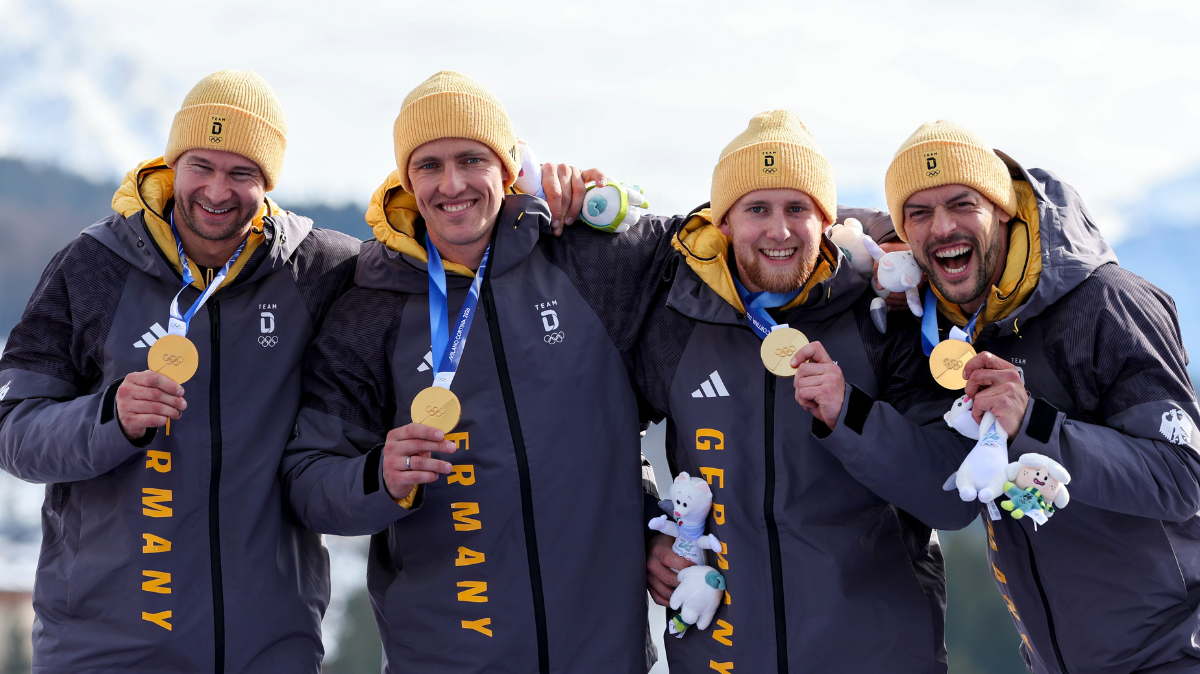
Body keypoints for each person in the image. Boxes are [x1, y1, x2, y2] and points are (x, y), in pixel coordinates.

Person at [0, 69, 589, 674]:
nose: (217, 190)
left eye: (243, 173)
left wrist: (546, 191)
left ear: (269, 182)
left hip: (270, 648)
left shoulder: (318, 270)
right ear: (171, 164)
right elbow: (12, 429)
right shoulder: (93, 264)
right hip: (106, 651)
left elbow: (441, 253)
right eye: (201, 165)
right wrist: (107, 417)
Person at [281, 70, 675, 674]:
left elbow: (741, 239)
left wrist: (873, 241)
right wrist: (376, 477)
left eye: (472, 159)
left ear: (509, 167)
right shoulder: (371, 301)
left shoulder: (590, 261)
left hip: (602, 655)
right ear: (407, 180)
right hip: (446, 658)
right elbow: (308, 481)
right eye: (429, 165)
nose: (452, 184)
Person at [797, 120, 1200, 673]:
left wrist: (1036, 425)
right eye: (918, 213)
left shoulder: (1106, 302)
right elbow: (947, 500)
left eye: (963, 204)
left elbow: (1182, 479)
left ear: (1004, 208)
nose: (942, 227)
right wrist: (848, 414)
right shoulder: (942, 331)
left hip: (1174, 654)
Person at [636, 110, 975, 674]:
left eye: (798, 208)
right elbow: (601, 434)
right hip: (721, 657)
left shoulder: (882, 319)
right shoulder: (677, 320)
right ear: (723, 222)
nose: (779, 231)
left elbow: (952, 495)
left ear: (827, 217)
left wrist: (851, 414)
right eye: (757, 209)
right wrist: (644, 527)